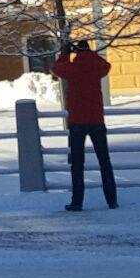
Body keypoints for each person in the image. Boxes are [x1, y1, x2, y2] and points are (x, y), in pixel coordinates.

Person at [50, 37, 117, 210]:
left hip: (77, 121)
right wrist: (91, 54)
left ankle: (77, 201)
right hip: (96, 120)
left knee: (77, 164)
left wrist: (65, 54)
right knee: (104, 161)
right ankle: (111, 200)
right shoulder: (96, 68)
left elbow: (56, 68)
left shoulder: (73, 68)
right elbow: (106, 65)